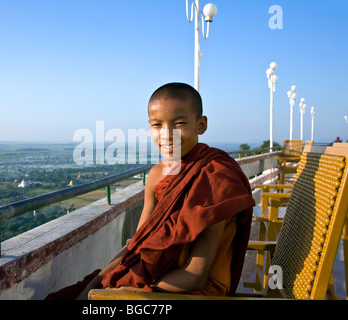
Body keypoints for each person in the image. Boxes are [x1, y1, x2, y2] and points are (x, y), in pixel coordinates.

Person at [46, 82, 255, 300]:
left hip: (193, 294)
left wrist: (129, 290)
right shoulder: (156, 175)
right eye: (157, 125)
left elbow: (196, 276)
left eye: (180, 123)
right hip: (151, 279)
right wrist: (96, 284)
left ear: (201, 125)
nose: (167, 135)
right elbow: (137, 245)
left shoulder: (215, 177)